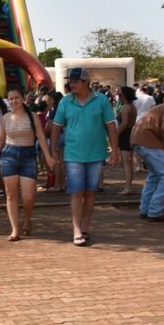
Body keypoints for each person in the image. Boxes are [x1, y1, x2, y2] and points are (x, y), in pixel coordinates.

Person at [50, 67, 120, 247]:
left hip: (96, 154)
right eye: (70, 81)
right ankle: (76, 229)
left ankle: (85, 227)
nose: (71, 84)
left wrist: (115, 151)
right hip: (73, 154)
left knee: (90, 192)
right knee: (76, 191)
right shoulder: (65, 102)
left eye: (75, 81)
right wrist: (52, 150)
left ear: (85, 82)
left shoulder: (102, 100)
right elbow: (56, 127)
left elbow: (111, 126)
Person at [0, 86, 56, 241]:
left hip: (28, 156)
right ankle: (15, 229)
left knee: (28, 197)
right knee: (11, 194)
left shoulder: (32, 116)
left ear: (24, 98)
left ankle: (27, 218)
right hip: (9, 156)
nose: (14, 101)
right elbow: (0, 139)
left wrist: (48, 156)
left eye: (16, 98)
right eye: (11, 99)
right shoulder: (6, 118)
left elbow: (40, 136)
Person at [131, 102, 164, 222]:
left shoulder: (161, 108)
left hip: (139, 139)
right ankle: (155, 211)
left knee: (154, 176)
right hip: (148, 142)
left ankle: (145, 209)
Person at [116, 86, 138, 195]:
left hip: (125, 135)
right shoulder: (132, 107)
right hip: (131, 133)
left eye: (120, 95)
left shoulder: (125, 107)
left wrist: (115, 135)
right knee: (129, 162)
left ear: (124, 96)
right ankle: (128, 185)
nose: (118, 97)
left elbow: (124, 123)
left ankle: (128, 187)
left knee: (126, 162)